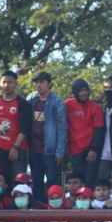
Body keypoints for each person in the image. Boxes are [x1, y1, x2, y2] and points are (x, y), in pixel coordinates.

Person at [27, 71, 67, 202]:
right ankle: (39, 212)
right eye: (37, 82)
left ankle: (53, 213)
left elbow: (62, 127)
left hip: (50, 149)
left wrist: (60, 150)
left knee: (52, 182)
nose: (39, 85)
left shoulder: (57, 101)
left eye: (42, 82)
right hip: (33, 149)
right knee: (36, 181)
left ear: (49, 84)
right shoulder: (31, 99)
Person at [64, 79, 104, 188]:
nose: (84, 93)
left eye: (86, 90)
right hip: (74, 151)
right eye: (81, 90)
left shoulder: (95, 107)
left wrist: (94, 149)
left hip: (90, 151)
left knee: (91, 181)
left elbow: (99, 130)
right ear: (75, 92)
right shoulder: (67, 105)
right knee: (78, 182)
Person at [0, 70, 31, 183]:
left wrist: (15, 148)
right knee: (2, 181)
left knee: (18, 181)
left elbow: (24, 128)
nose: (6, 85)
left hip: (17, 150)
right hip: (0, 149)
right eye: (4, 82)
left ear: (16, 84)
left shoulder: (22, 103)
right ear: (0, 83)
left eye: (10, 82)